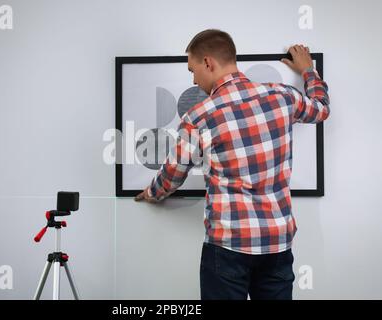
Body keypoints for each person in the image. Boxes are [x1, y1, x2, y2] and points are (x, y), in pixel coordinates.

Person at [135, 29, 330, 300]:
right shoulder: (283, 97)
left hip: (227, 248)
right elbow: (321, 108)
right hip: (277, 243)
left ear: (208, 63)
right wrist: (308, 70)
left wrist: (152, 193)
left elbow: (173, 174)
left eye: (192, 70)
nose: (193, 79)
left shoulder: (199, 116)